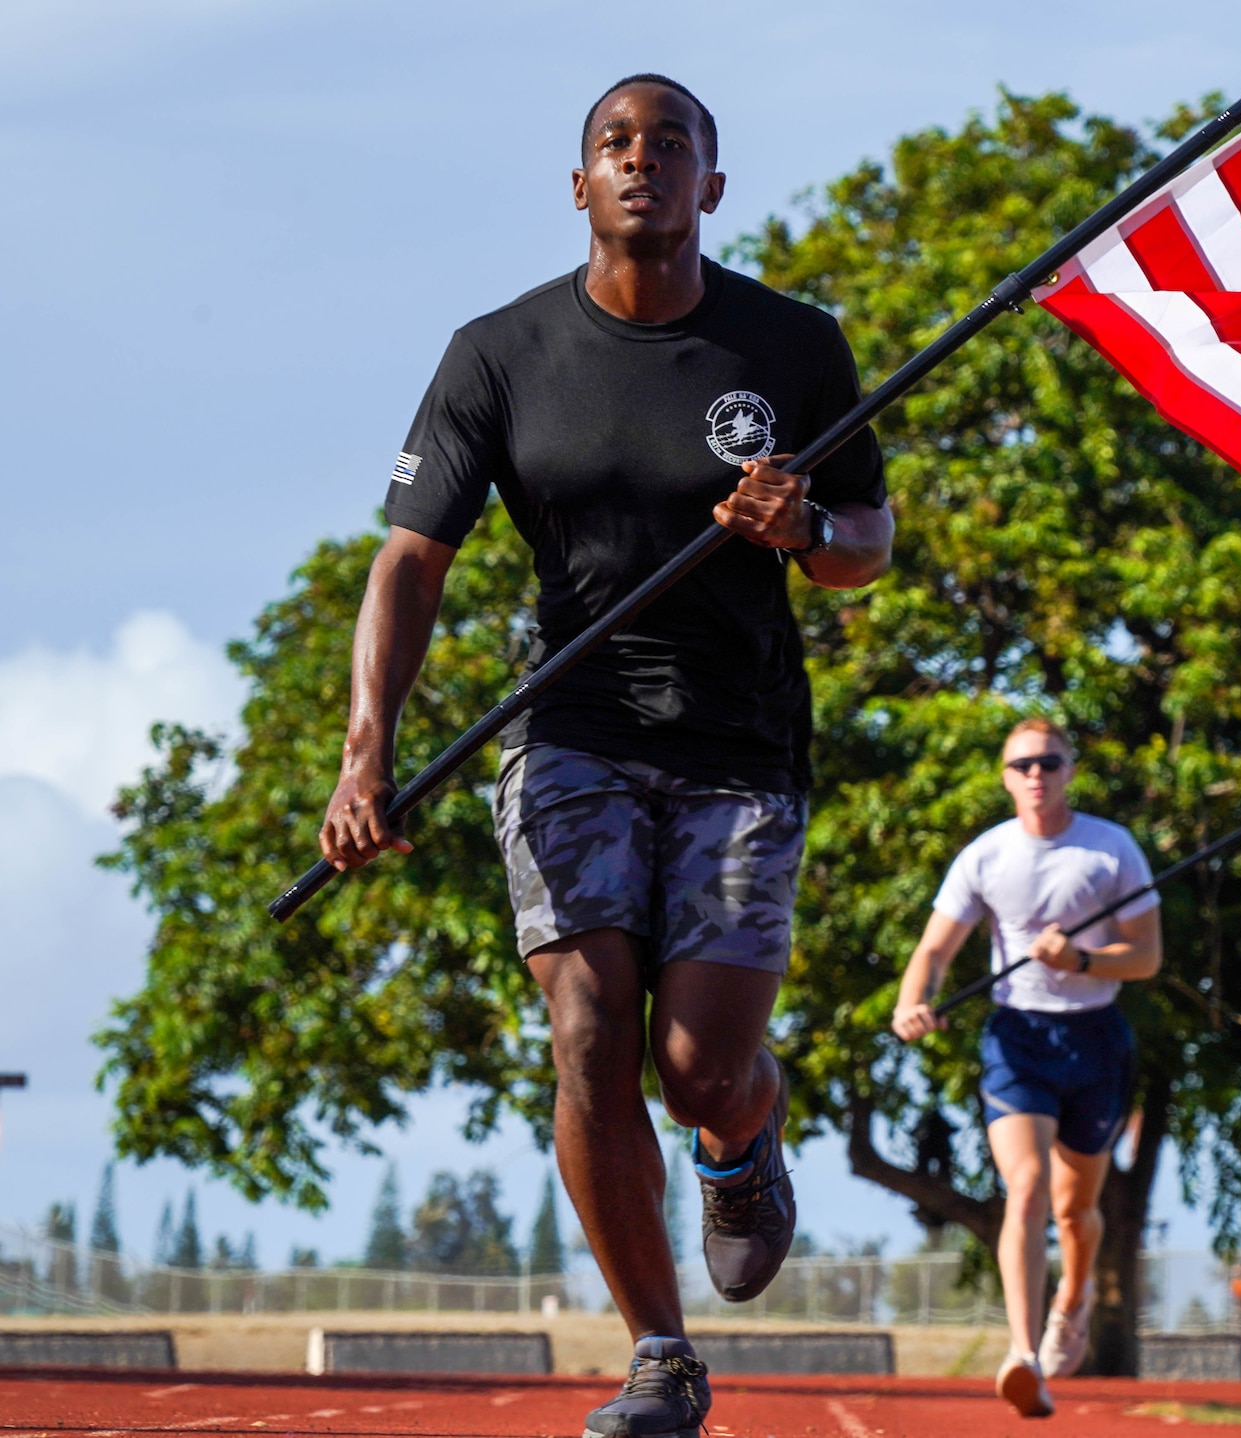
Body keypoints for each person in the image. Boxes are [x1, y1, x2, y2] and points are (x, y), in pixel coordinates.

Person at [316, 73, 893, 1438]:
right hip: (568, 729)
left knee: (694, 1065)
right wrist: (364, 754)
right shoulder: (498, 354)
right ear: (579, 186)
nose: (644, 164)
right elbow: (410, 563)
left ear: (712, 186)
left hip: (744, 745)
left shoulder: (795, 344)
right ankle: (660, 1353)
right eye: (616, 148)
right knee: (586, 1029)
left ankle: (740, 1135)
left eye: (672, 147)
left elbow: (869, 548)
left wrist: (804, 527)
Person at [892, 718, 1163, 1417]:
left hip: (1096, 1039)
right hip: (1017, 1039)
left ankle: (1069, 1305)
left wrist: (1080, 960)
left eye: (1049, 761)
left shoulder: (1111, 850)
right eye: (1022, 765)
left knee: (1078, 1212)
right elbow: (933, 953)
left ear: (1071, 769)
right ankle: (1023, 1354)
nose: (1036, 774)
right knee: (1028, 1186)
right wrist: (911, 1003)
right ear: (1006, 777)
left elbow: (1146, 957)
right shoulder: (986, 856)